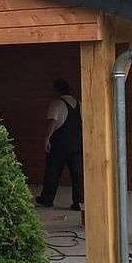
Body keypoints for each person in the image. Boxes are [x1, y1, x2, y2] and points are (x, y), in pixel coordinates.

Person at [35, 79, 84, 211]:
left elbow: (52, 122)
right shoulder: (79, 104)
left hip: (59, 144)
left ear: (56, 90)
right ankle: (78, 202)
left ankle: (47, 199)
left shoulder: (56, 104)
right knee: (77, 173)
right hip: (77, 144)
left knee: (53, 171)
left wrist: (46, 139)